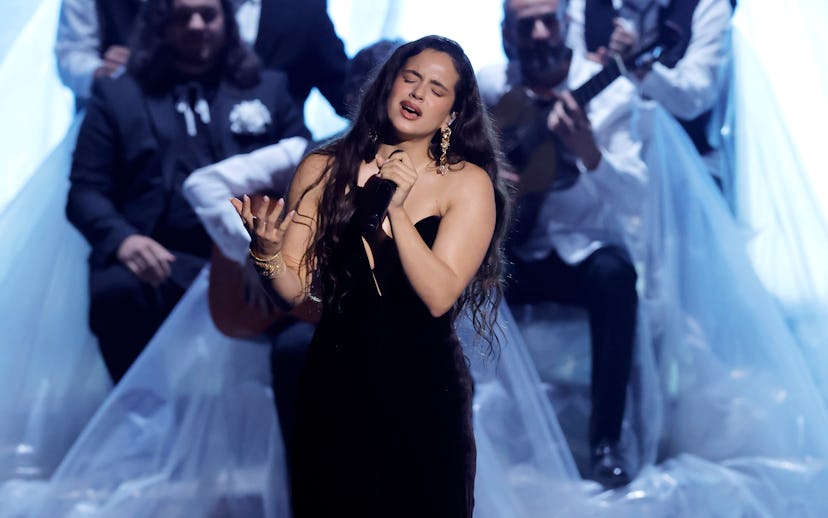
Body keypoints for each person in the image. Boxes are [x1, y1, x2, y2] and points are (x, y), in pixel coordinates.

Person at [232, 35, 509, 517]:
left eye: (436, 89)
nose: (418, 93)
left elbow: (439, 295)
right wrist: (266, 252)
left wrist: (397, 211)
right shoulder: (324, 166)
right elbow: (291, 290)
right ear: (387, 84)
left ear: (451, 115)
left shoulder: (467, 183)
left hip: (425, 389)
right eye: (411, 78)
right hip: (336, 379)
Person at [66, 0, 310, 383]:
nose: (196, 25)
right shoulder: (119, 96)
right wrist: (124, 241)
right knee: (116, 290)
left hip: (247, 258)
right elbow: (85, 191)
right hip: (162, 258)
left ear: (226, 21)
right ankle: (142, 428)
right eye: (182, 16)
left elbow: (307, 179)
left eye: (208, 14)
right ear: (160, 24)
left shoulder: (270, 88)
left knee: (304, 328)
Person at [481, 0, 647, 488]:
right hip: (515, 253)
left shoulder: (610, 94)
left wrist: (591, 154)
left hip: (583, 250)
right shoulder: (489, 88)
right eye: (525, 24)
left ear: (564, 26)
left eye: (547, 21)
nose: (538, 34)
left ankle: (606, 442)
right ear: (507, 33)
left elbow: (638, 193)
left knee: (617, 277)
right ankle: (461, 434)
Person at [55, 0, 350, 115]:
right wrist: (110, 73)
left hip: (271, 189)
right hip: (152, 172)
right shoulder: (185, 12)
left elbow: (344, 90)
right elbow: (72, 53)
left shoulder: (304, 11)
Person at [565, 0, 734, 186]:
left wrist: (644, 71)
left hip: (685, 174)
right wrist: (594, 70)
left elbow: (694, 99)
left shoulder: (708, 6)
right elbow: (570, 79)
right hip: (603, 175)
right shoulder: (583, 4)